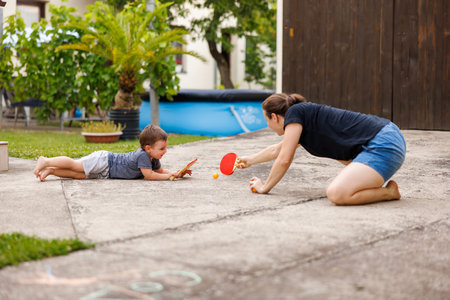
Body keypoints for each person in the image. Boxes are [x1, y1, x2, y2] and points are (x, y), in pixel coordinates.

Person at [237, 93, 406, 205]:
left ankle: (389, 193)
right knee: (340, 189)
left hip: (383, 143)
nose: (268, 125)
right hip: (386, 139)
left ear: (273, 117)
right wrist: (250, 160)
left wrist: (265, 187)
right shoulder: (302, 121)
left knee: (337, 193)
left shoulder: (295, 114)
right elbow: (277, 151)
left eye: (266, 120)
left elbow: (284, 159)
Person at [33, 125, 189, 181]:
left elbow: (161, 171)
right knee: (76, 166)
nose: (165, 151)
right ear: (148, 148)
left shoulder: (153, 158)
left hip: (107, 172)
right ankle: (46, 161)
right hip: (105, 161)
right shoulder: (143, 155)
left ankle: (52, 171)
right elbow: (150, 176)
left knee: (79, 175)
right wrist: (168, 176)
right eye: (161, 148)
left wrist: (176, 173)